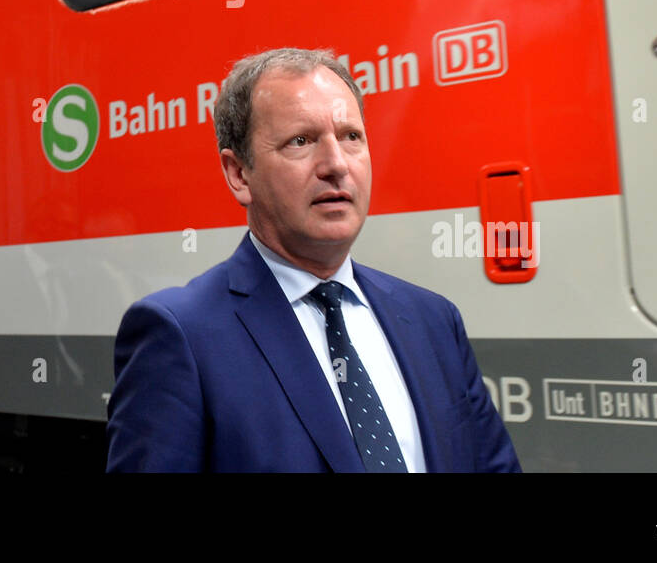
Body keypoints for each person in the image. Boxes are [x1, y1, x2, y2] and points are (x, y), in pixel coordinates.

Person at [106, 47, 519, 472]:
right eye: (300, 141)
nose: (336, 164)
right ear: (239, 174)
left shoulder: (433, 320)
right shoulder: (179, 336)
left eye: (350, 137)